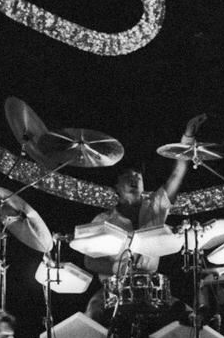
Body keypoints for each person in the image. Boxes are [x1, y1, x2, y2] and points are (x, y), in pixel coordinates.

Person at [83, 113, 207, 324]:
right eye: (128, 177)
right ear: (116, 187)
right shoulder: (103, 220)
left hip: (151, 288)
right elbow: (89, 261)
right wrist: (117, 269)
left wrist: (187, 137)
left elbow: (178, 174)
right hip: (112, 290)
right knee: (92, 314)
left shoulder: (156, 207)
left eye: (138, 177)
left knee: (190, 318)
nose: (134, 180)